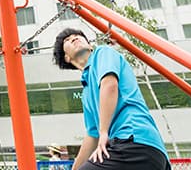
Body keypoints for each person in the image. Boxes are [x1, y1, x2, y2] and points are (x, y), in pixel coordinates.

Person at [53, 27, 170, 170]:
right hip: (141, 152)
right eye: (68, 40)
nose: (74, 38)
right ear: (66, 57)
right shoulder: (87, 91)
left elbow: (110, 85)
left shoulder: (102, 53)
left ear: (90, 45)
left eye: (78, 35)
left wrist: (104, 132)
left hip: (134, 140)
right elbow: (92, 136)